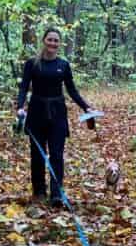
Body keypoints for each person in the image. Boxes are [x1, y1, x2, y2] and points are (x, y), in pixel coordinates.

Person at [16, 28, 93, 207]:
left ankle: (56, 194)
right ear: (43, 41)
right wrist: (20, 107)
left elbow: (72, 90)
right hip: (36, 112)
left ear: (59, 44)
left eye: (56, 40)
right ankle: (39, 192)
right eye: (50, 39)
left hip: (58, 113)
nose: (52, 43)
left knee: (57, 154)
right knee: (37, 155)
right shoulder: (32, 63)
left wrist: (85, 106)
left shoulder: (63, 65)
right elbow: (24, 87)